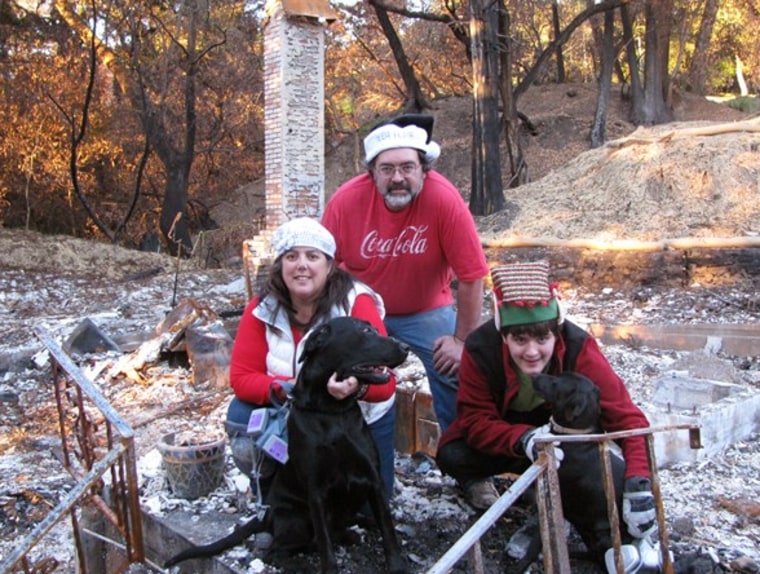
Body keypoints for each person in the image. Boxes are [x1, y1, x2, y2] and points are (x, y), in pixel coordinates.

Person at [436, 260, 656, 565]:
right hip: (513, 439)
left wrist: (639, 480)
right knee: (453, 454)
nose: (532, 352)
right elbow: (474, 420)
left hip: (570, 448)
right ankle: (531, 493)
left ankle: (591, 527)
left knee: (609, 485)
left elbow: (628, 419)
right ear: (504, 336)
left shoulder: (580, 347)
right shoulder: (480, 349)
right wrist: (525, 438)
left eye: (542, 339)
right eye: (520, 340)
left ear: (556, 333)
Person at [321, 113, 489, 433]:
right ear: (372, 173)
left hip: (425, 309)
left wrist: (462, 340)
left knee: (459, 370)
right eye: (387, 169)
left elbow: (472, 275)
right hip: (364, 309)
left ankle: (466, 463)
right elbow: (323, 267)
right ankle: (347, 445)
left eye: (407, 167)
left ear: (424, 170)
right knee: (337, 369)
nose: (397, 177)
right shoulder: (345, 202)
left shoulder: (444, 200)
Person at [225, 217, 398, 503]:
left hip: (357, 419)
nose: (301, 265)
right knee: (241, 413)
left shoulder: (355, 303)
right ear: (280, 265)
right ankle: (268, 490)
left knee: (369, 508)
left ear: (329, 266)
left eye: (312, 256)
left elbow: (386, 382)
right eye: (291, 256)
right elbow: (242, 378)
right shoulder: (261, 309)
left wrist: (355, 387)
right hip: (300, 415)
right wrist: (295, 387)